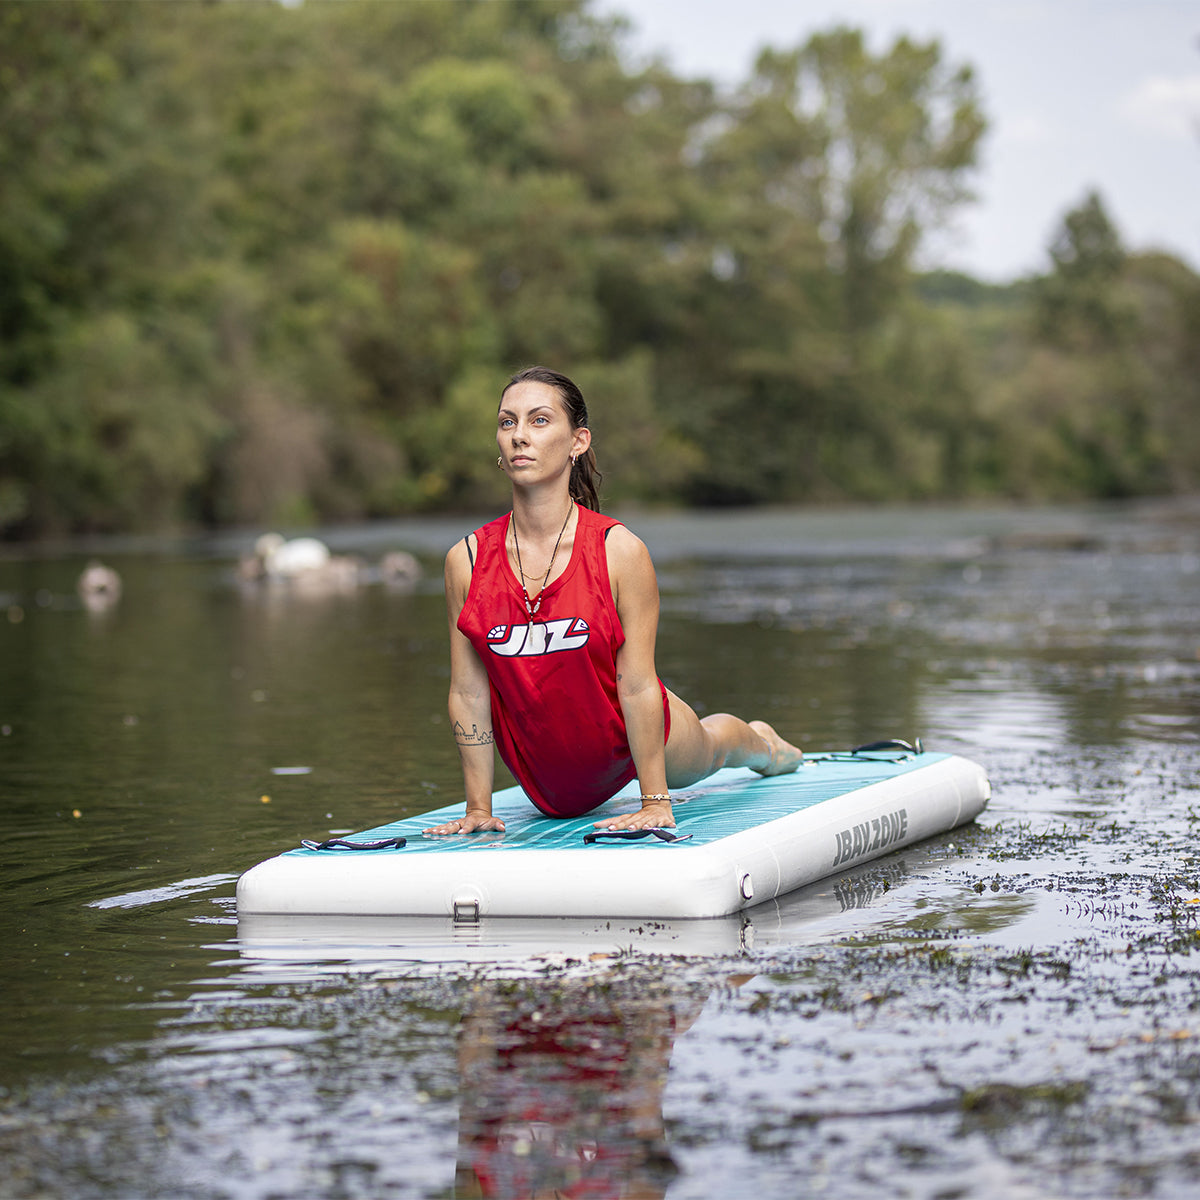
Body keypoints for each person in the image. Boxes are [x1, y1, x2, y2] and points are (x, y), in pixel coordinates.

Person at [425, 366, 802, 836]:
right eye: (508, 422)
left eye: (539, 420)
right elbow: (469, 691)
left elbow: (639, 684)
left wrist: (655, 801)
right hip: (548, 778)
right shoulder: (467, 560)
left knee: (714, 749)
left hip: (633, 735)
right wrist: (478, 809)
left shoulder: (619, 551)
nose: (520, 435)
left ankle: (767, 746)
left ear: (578, 442)